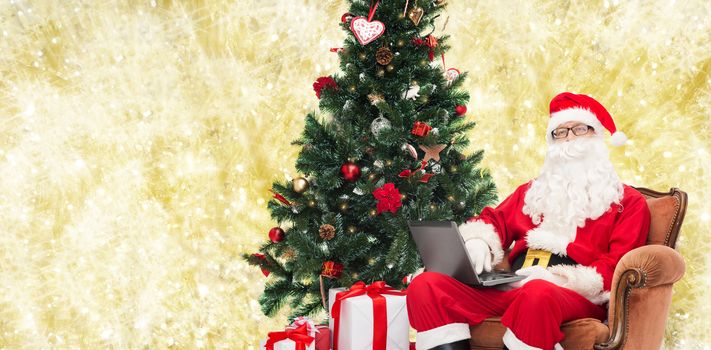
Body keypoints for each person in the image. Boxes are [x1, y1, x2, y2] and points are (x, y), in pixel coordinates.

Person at [407, 92, 651, 350]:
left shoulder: (628, 203)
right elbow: (494, 220)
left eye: (579, 129)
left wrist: (557, 279)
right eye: (560, 132)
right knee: (427, 284)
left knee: (537, 294)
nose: (569, 139)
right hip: (514, 285)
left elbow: (618, 265)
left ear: (597, 136)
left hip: (573, 294)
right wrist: (478, 240)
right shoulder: (532, 192)